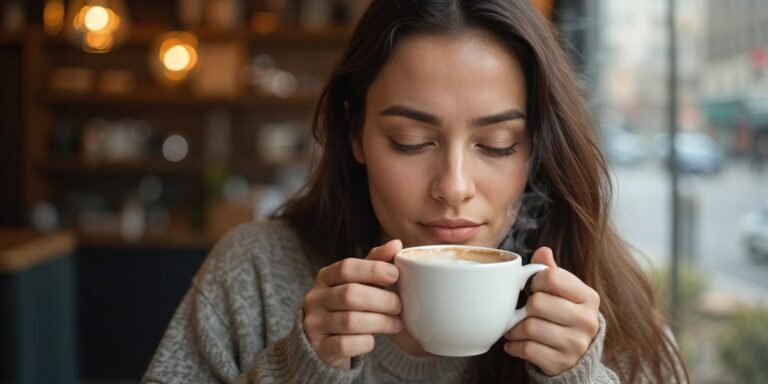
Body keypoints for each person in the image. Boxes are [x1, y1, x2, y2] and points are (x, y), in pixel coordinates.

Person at [143, 0, 689, 382]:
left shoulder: (604, 297)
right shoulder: (256, 272)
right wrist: (296, 373)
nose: (453, 188)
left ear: (536, 150)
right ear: (355, 133)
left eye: (497, 144)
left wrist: (581, 380)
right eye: (409, 141)